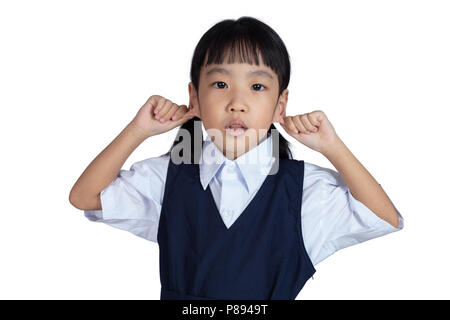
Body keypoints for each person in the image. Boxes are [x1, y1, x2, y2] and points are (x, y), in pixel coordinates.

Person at [69, 16, 404, 300]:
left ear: (281, 103)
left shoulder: (302, 190)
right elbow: (85, 196)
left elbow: (383, 217)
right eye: (219, 83)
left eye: (257, 87)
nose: (237, 102)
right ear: (194, 98)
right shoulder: (168, 178)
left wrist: (332, 146)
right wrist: (138, 130)